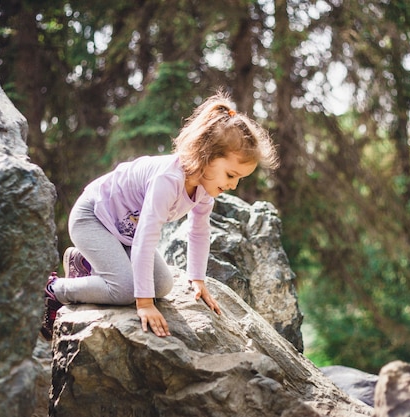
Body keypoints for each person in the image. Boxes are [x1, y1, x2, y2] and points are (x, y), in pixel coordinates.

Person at [40, 91, 279, 341]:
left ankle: (86, 264)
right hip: (93, 218)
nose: (233, 185)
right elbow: (146, 238)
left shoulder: (205, 188)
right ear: (206, 155)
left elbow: (199, 231)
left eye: (239, 179)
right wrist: (143, 303)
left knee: (163, 285)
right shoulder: (168, 180)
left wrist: (197, 279)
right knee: (126, 291)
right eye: (231, 175)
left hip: (125, 233)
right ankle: (54, 289)